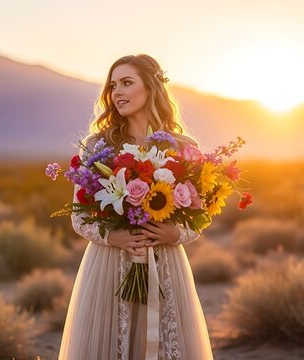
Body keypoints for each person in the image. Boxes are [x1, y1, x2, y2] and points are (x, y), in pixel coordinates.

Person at [58, 54, 214, 360]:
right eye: (113, 85)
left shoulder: (183, 147)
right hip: (108, 267)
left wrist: (175, 233)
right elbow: (80, 218)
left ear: (151, 88)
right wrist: (113, 238)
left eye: (127, 83)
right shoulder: (97, 145)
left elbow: (201, 216)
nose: (117, 92)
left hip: (166, 265)